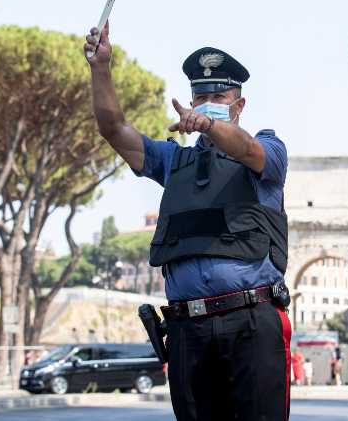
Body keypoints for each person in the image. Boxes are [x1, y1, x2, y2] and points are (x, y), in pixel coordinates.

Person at [84, 23, 291, 421]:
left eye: (219, 96)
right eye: (201, 96)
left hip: (251, 324)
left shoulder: (268, 150)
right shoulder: (173, 161)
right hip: (187, 330)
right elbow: (113, 129)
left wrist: (211, 126)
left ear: (239, 105)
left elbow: (248, 148)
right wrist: (101, 69)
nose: (207, 102)